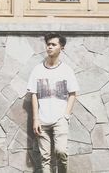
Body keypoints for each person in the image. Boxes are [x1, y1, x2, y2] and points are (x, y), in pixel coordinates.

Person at [27, 32, 79, 173]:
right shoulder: (37, 69)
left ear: (61, 48)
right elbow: (34, 94)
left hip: (60, 120)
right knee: (45, 158)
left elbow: (73, 93)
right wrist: (35, 119)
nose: (49, 47)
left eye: (53, 44)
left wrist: (66, 115)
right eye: (48, 44)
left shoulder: (66, 70)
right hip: (42, 121)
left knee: (61, 152)